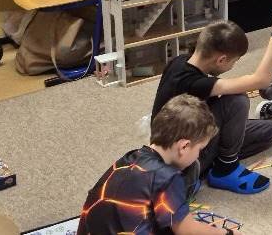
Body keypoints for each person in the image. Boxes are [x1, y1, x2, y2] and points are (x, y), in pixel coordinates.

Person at [151, 12, 272, 195]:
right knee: (237, 100)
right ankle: (225, 168)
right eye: (234, 61)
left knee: (268, 131)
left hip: (183, 132)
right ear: (221, 59)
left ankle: (214, 160)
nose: (233, 66)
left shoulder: (179, 62)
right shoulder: (195, 83)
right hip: (181, 153)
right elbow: (262, 80)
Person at [79, 95, 230, 234]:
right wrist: (226, 233)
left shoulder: (130, 158)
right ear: (184, 146)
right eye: (200, 149)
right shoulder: (168, 178)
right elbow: (187, 231)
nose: (198, 155)